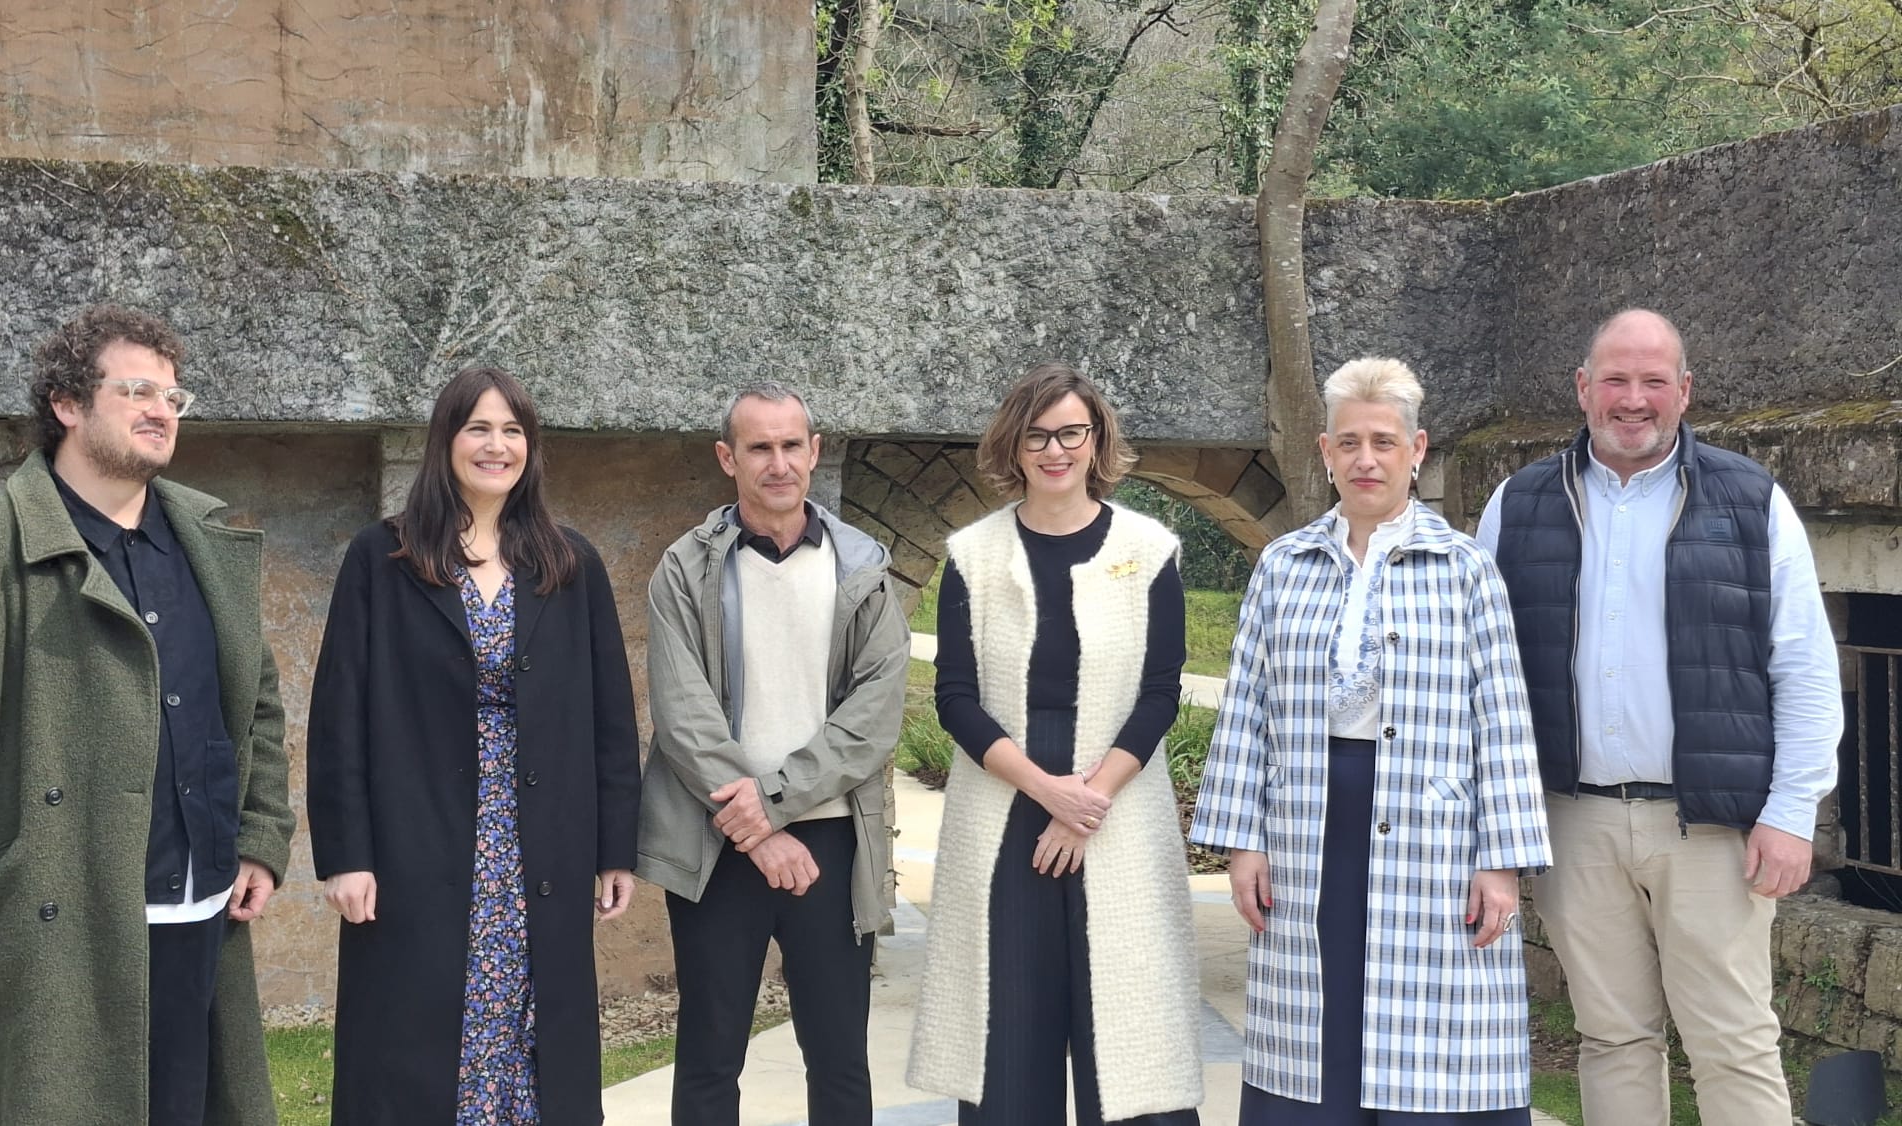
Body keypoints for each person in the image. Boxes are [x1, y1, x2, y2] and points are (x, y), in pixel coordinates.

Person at [0, 305, 295, 1125]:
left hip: (200, 906)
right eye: (137, 390)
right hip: (46, 924)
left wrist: (260, 836)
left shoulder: (209, 543)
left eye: (174, 396)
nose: (162, 409)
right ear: (67, 403)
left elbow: (254, 706)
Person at [1474, 309, 1843, 1126]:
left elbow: (1807, 668)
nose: (1632, 399)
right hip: (1573, 821)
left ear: (1684, 392)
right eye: (1615, 379)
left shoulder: (1751, 500)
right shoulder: (1517, 503)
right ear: (1582, 389)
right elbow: (1484, 675)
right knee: (1611, 1038)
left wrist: (1790, 812)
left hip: (1713, 829)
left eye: (1652, 382)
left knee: (1735, 1042)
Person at [1191, 357, 1551, 1124]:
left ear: (1416, 449)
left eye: (1384, 441)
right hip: (1308, 830)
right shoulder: (1284, 566)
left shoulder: (1465, 568)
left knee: (1429, 1041)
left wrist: (1501, 860)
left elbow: (1505, 715)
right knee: (1314, 1034)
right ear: (1324, 452)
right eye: (1349, 441)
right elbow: (1248, 703)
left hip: (1435, 838)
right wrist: (1244, 843)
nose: (1366, 459)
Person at [306, 365, 641, 1126]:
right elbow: (338, 718)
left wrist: (615, 848)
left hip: (539, 852)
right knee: (410, 1046)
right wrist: (347, 854)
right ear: (446, 440)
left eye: (513, 430)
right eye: (479, 428)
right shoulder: (381, 559)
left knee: (531, 1036)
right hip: (413, 847)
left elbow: (611, 720)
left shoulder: (569, 564)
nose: (497, 445)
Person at [907, 361, 1203, 1125]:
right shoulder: (971, 556)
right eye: (1037, 436)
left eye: (1071, 431)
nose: (1055, 450)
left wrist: (1087, 801)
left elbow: (1161, 691)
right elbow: (956, 698)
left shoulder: (1151, 550)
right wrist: (1049, 793)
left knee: (1129, 1047)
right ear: (1015, 446)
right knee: (1006, 1051)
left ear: (1096, 438)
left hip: (1117, 818)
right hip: (1007, 826)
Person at [636, 381, 909, 1126]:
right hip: (716, 840)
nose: (778, 462)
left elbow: (875, 714)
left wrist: (776, 804)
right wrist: (756, 828)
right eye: (760, 447)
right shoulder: (682, 570)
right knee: (709, 1057)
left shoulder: (863, 571)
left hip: (831, 841)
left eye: (792, 445)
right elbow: (682, 711)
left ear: (815, 453)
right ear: (728, 458)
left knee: (839, 1059)